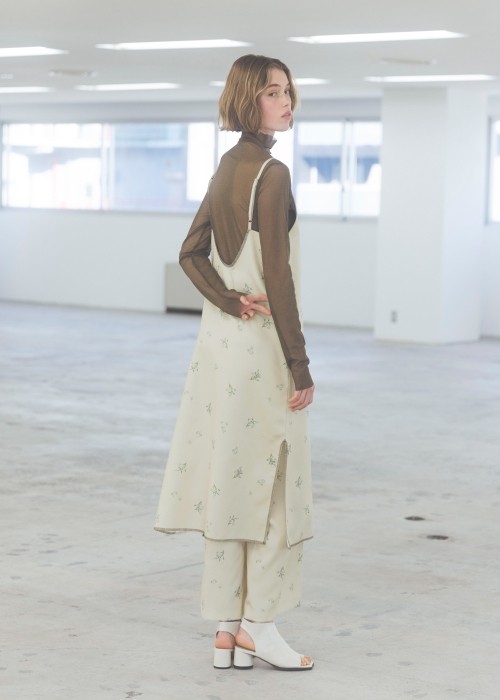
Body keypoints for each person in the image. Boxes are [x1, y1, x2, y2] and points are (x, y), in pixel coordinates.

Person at [155, 54, 315, 671]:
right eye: (273, 92)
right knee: (274, 485)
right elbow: (278, 275)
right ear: (248, 100)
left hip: (220, 351)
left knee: (230, 477)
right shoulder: (271, 173)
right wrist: (299, 364)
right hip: (264, 351)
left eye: (288, 91)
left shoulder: (227, 166)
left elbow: (190, 252)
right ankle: (260, 624)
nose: (286, 101)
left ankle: (227, 626)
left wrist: (225, 300)